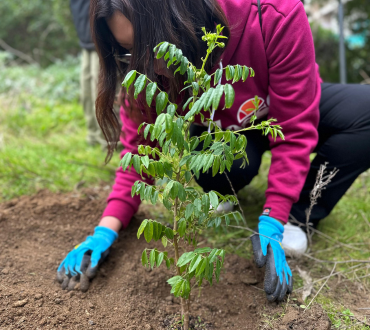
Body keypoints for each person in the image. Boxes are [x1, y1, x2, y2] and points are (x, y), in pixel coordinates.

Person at [57, 0, 370, 302]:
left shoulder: (274, 14)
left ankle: (299, 216)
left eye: (152, 48)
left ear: (180, 15)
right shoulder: (145, 72)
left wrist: (275, 218)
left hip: (279, 104)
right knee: (218, 167)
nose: (147, 67)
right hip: (222, 130)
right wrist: (104, 232)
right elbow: (141, 154)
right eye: (129, 53)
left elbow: (295, 128)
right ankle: (224, 193)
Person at [70, 0, 106, 147]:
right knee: (87, 93)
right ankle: (93, 136)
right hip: (86, 41)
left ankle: (109, 141)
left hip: (102, 40)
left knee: (102, 92)